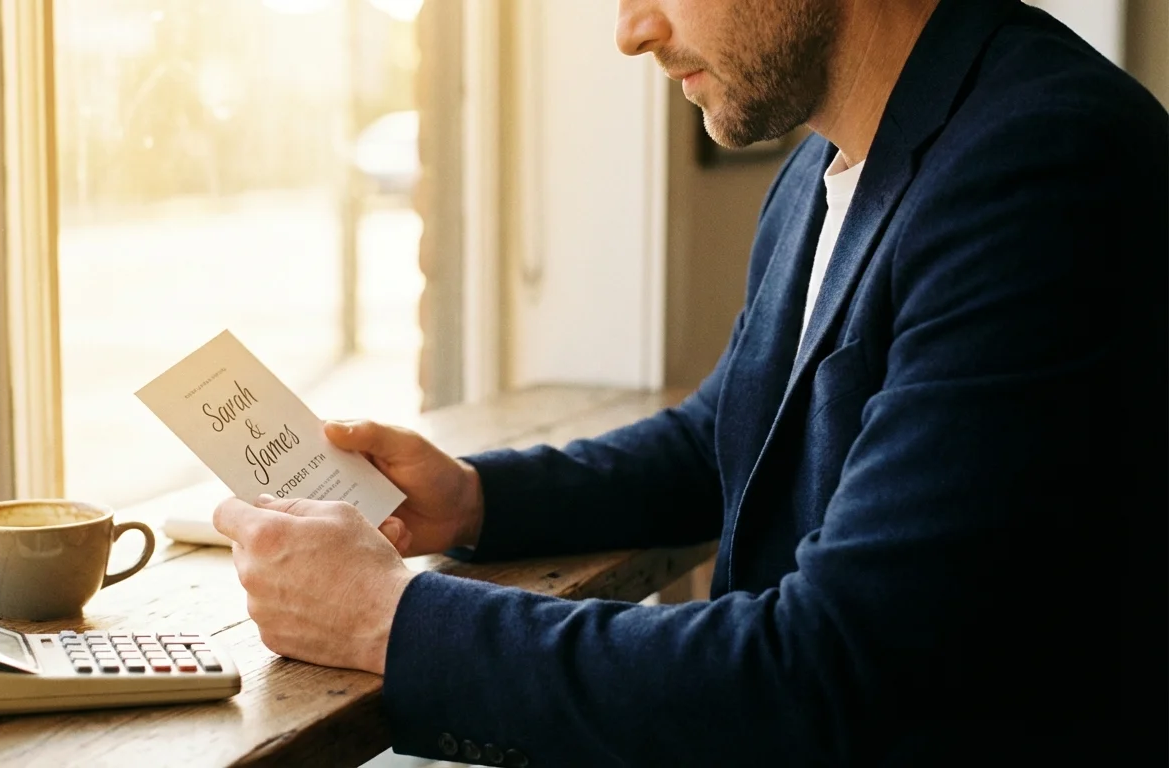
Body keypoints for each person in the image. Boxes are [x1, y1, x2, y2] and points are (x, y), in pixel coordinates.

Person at [213, 0, 1168, 763]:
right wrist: (474, 499)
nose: (631, 30)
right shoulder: (826, 162)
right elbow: (731, 433)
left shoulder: (1043, 167)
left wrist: (390, 620)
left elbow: (833, 672)